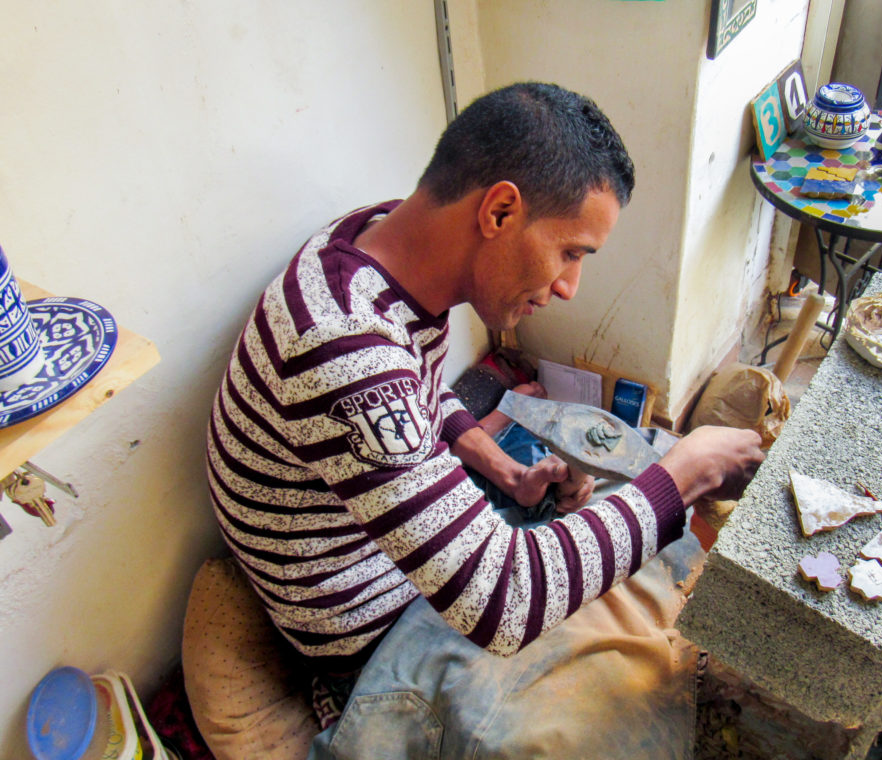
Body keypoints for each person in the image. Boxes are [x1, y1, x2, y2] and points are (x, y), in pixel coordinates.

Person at [206, 81, 765, 756]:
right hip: (378, 628)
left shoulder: (382, 243)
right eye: (571, 252)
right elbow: (502, 604)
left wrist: (502, 468)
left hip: (409, 556)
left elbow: (413, 389)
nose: (568, 288)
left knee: (628, 460)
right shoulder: (339, 346)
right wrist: (688, 476)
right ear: (499, 211)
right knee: (622, 714)